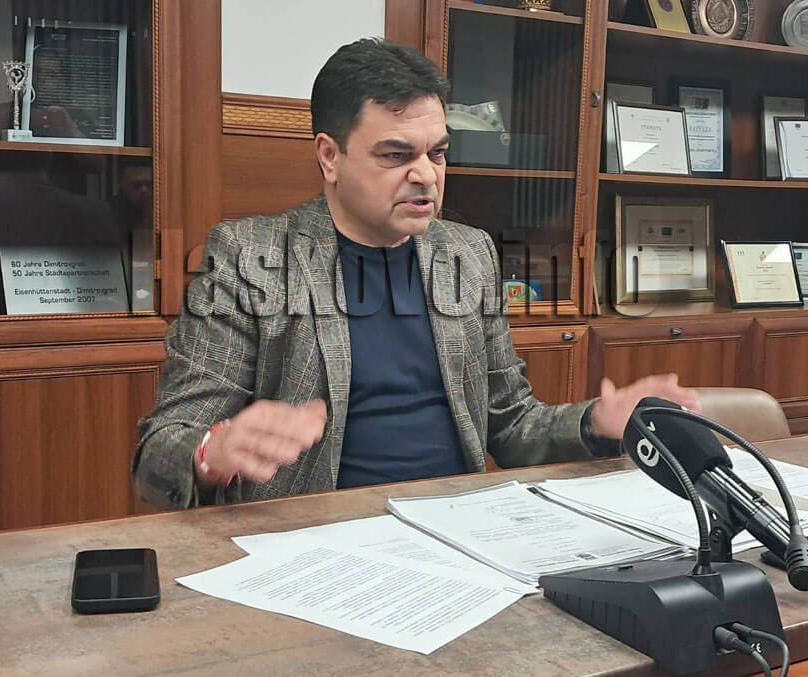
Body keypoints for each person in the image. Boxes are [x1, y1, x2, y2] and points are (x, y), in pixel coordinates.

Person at [132, 38, 699, 510]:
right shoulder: (250, 256)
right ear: (330, 156)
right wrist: (210, 452)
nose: (426, 175)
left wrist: (597, 420)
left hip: (460, 525)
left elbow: (510, 424)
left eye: (438, 154)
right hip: (319, 538)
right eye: (395, 156)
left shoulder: (468, 254)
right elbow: (159, 452)